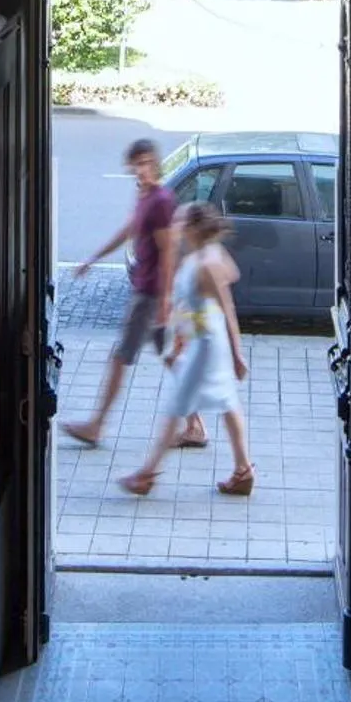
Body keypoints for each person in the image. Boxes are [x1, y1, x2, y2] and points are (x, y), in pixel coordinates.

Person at [59, 138, 207, 451]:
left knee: (120, 356)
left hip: (150, 295)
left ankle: (97, 425)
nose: (142, 169)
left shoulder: (162, 201)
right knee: (169, 357)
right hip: (148, 290)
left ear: (156, 164)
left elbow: (168, 253)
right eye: (137, 164)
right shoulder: (145, 196)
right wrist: (93, 258)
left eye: (147, 163)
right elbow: (128, 230)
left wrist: (166, 301)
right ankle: (195, 425)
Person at [120, 201, 254, 498]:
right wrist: (188, 323)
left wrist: (237, 354)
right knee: (227, 401)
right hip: (204, 335)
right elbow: (229, 276)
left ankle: (147, 474)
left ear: (194, 228)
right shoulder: (205, 256)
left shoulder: (206, 263)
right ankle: (243, 471)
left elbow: (227, 305)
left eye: (181, 223)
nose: (177, 227)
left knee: (178, 403)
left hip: (208, 344)